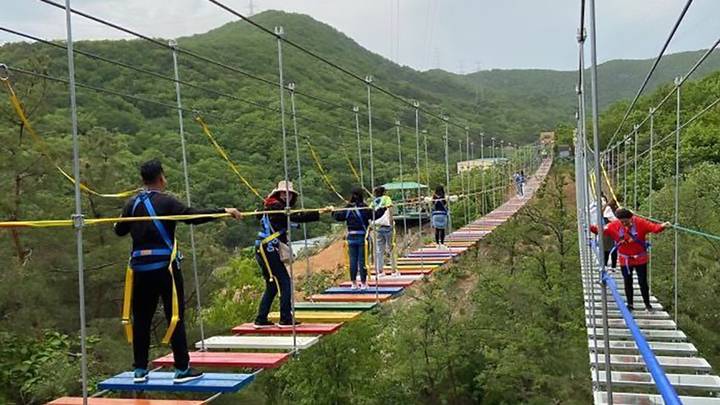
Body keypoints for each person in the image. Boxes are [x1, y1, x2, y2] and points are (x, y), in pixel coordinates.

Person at [114, 159, 242, 384]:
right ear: (161, 177)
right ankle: (182, 368)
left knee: (142, 318)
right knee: (175, 316)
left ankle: (140, 369)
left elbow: (119, 231)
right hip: (166, 269)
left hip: (140, 269)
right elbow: (193, 216)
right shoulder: (166, 202)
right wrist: (223, 211)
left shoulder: (132, 204)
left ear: (143, 180)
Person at [254, 180, 329, 329]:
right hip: (269, 248)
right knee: (284, 282)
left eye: (289, 194)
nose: (286, 195)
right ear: (278, 194)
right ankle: (285, 318)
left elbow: (290, 217)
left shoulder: (274, 207)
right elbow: (296, 217)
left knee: (272, 285)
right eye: (283, 193)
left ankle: (261, 319)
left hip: (265, 248)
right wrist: (319, 212)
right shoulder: (275, 207)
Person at [591, 208, 671, 312]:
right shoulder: (614, 225)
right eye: (622, 221)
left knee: (642, 282)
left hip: (640, 258)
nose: (624, 223)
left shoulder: (640, 222)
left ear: (631, 218)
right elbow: (599, 230)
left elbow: (654, 228)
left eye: (626, 221)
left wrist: (663, 226)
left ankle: (647, 305)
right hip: (625, 259)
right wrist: (588, 226)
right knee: (627, 282)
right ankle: (630, 304)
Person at [334, 187, 386, 289]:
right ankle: (363, 283)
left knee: (352, 261)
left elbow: (338, 216)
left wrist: (332, 211)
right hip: (362, 237)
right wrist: (384, 208)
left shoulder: (347, 208)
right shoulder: (364, 208)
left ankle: (353, 283)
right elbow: (375, 215)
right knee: (363, 261)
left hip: (350, 238)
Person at [371, 186, 397, 277]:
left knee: (379, 250)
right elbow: (390, 210)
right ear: (384, 192)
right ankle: (394, 271)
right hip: (387, 226)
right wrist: (391, 223)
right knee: (391, 248)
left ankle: (380, 271)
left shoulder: (373, 202)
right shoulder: (387, 199)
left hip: (377, 228)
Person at [602, 197, 619, 269]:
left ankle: (609, 265)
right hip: (609, 232)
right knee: (611, 249)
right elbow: (612, 219)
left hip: (607, 231)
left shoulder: (607, 208)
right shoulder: (609, 209)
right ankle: (611, 266)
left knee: (609, 249)